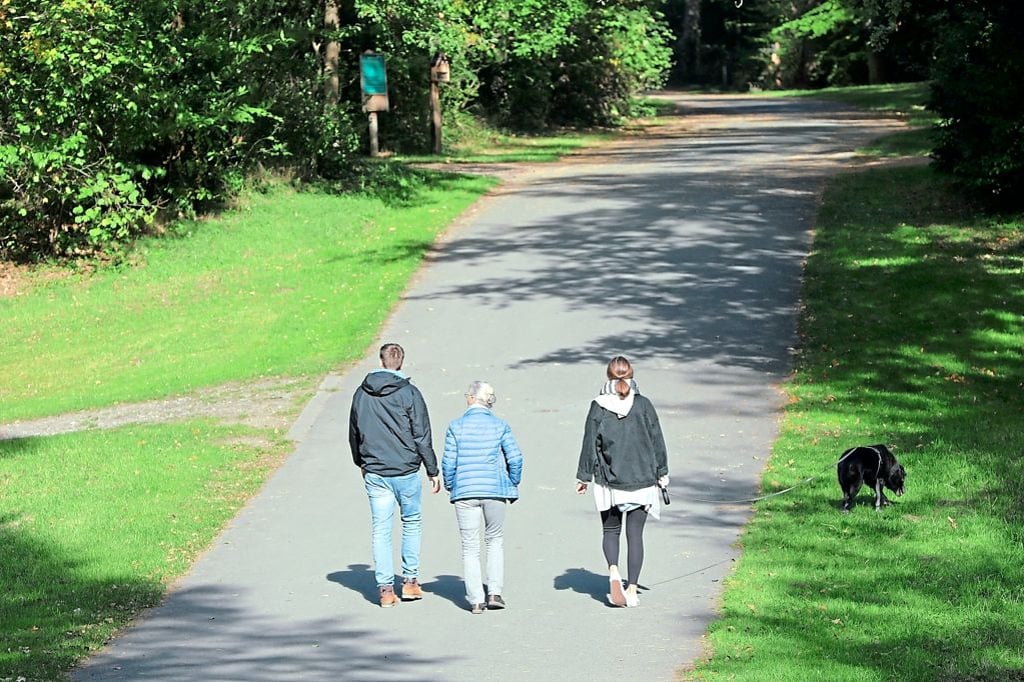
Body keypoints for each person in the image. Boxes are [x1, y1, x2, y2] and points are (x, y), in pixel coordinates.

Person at [349, 343, 441, 608]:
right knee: (411, 522)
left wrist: (361, 463)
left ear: (381, 361)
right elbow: (422, 435)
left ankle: (386, 589)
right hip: (406, 470)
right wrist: (432, 469)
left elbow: (354, 432)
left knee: (381, 528)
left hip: (375, 470)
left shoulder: (361, 393)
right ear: (400, 363)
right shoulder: (410, 393)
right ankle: (410, 582)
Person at [575, 356, 668, 608]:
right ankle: (633, 588)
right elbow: (657, 439)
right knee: (635, 534)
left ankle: (614, 571)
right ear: (631, 374)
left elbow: (590, 442)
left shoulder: (598, 406)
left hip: (609, 481)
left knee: (611, 531)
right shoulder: (644, 405)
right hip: (643, 479)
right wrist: (662, 472)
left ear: (608, 376)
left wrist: (584, 476)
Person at [442, 381, 524, 614]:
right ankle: (495, 592)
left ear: (470, 398)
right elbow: (515, 458)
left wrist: (451, 485)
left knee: (470, 547)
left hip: (465, 490)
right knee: (495, 540)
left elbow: (448, 462)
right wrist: (512, 481)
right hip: (494, 490)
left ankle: (476, 599)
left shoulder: (456, 426)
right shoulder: (500, 425)